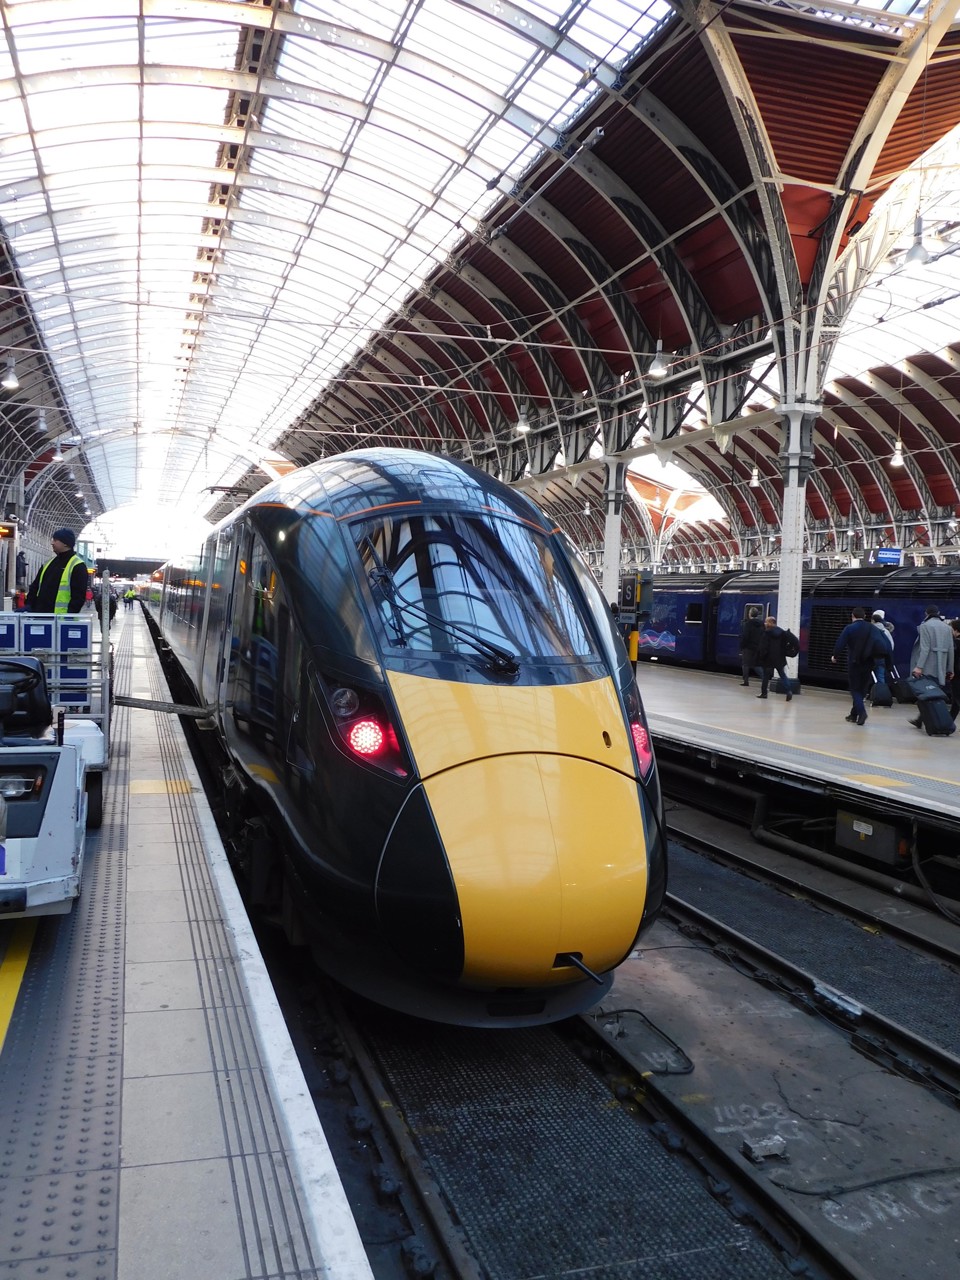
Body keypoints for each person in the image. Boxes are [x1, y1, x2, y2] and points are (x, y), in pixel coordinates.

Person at [908, 605, 954, 730]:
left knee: (925, 693)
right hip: (941, 667)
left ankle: (932, 719)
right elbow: (951, 649)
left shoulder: (925, 626)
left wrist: (919, 666)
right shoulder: (947, 627)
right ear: (938, 613)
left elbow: (925, 648)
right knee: (933, 694)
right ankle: (922, 720)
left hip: (927, 666)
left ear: (926, 614)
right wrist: (950, 669)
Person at [24, 528, 89, 614]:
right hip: (39, 617)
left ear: (66, 543)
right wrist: (29, 605)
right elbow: (35, 586)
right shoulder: (48, 563)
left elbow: (78, 597)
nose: (52, 543)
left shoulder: (78, 566)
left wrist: (69, 616)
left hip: (61, 621)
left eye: (55, 540)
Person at [831, 606, 876, 725]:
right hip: (869, 662)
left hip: (854, 662)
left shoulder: (850, 628)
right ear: (865, 616)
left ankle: (861, 712)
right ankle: (853, 714)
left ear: (852, 616)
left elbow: (840, 643)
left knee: (855, 689)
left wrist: (835, 656)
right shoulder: (871, 628)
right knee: (862, 690)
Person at [755, 615, 791, 701]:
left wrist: (761, 656)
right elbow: (785, 644)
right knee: (782, 675)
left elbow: (763, 647)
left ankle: (764, 693)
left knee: (766, 677)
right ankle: (789, 690)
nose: (765, 623)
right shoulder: (782, 632)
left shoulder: (766, 633)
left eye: (767, 622)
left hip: (768, 659)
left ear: (771, 623)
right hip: (779, 658)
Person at [738, 606, 764, 687]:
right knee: (756, 664)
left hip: (748, 647)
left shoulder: (748, 624)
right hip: (758, 646)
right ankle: (764, 678)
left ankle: (746, 681)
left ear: (750, 614)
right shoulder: (761, 624)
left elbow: (746, 636)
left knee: (745, 664)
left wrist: (742, 646)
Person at [870, 610, 894, 685]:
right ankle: (880, 693)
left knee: (866, 677)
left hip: (870, 658)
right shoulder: (886, 631)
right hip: (882, 658)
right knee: (880, 677)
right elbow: (891, 645)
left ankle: (869, 693)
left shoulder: (869, 630)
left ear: (873, 620)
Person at [949, 619, 960, 723]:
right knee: (956, 702)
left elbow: (952, 659)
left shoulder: (955, 643)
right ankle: (949, 721)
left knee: (957, 698)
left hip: (957, 675)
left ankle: (948, 721)